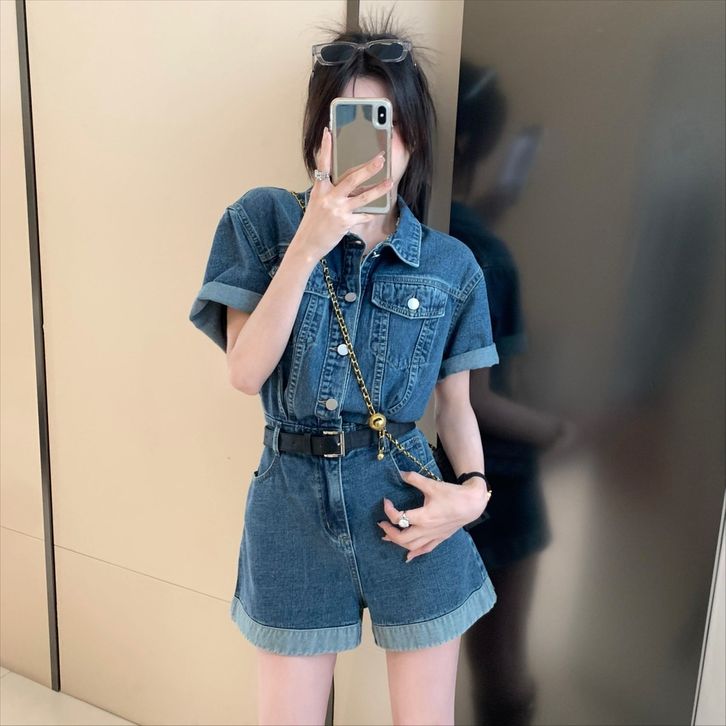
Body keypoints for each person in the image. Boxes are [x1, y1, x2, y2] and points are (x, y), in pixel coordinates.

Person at [189, 13, 501, 725]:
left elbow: (457, 409)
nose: (372, 148)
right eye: (350, 122)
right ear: (320, 135)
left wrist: (472, 496)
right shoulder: (263, 222)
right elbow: (245, 372)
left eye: (385, 125)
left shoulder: (451, 265)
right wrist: (310, 243)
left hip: (410, 508)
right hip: (291, 508)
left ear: (412, 137)